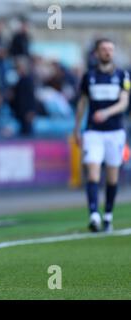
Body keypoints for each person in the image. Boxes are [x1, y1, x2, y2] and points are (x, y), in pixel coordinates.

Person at [73, 38, 130, 233]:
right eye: (104, 49)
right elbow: (81, 104)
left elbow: (124, 102)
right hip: (93, 132)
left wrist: (106, 112)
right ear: (97, 53)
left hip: (115, 132)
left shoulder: (123, 75)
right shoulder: (88, 77)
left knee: (112, 177)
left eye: (110, 49)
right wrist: (76, 128)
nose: (107, 52)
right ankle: (94, 215)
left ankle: (108, 215)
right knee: (93, 172)